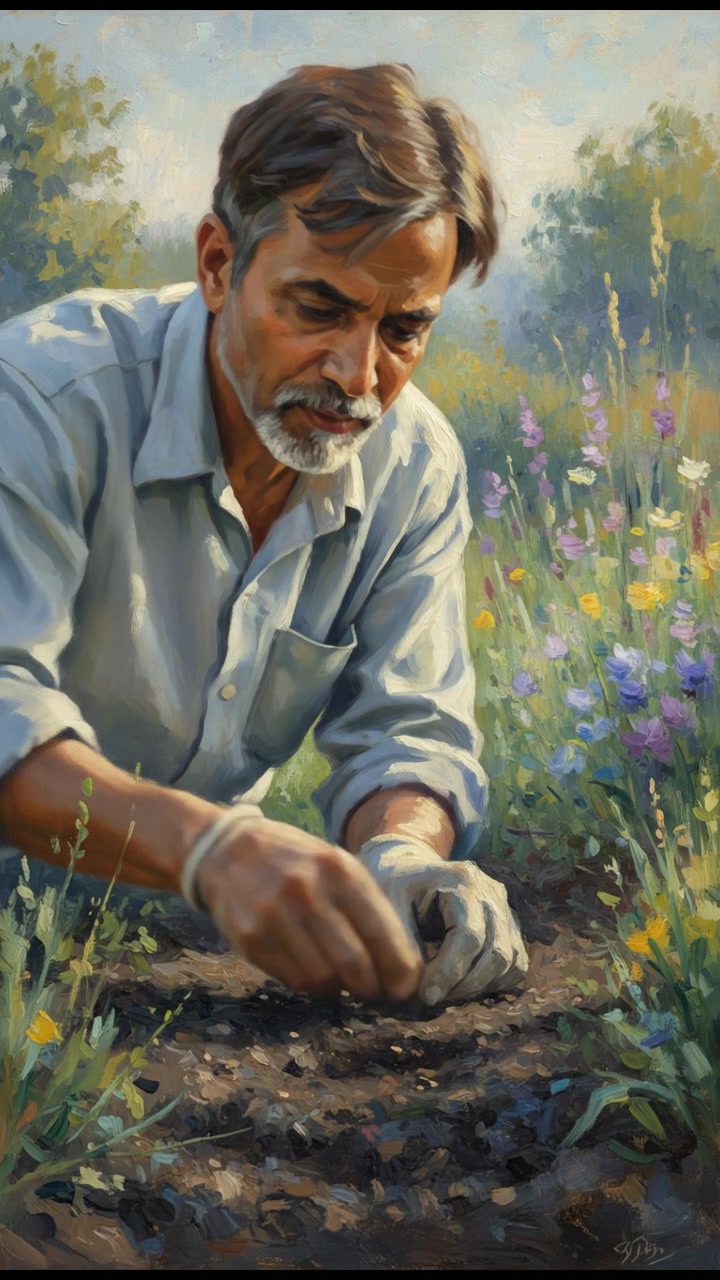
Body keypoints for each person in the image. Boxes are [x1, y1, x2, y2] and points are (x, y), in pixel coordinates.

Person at [0, 63, 527, 1007]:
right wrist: (211, 848)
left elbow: (408, 729)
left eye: (404, 330)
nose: (358, 376)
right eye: (319, 308)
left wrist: (404, 854)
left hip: (171, 950)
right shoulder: (42, 398)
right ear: (217, 264)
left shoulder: (413, 464)